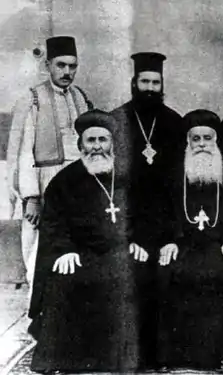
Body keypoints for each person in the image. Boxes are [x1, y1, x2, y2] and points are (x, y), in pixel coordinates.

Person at [29, 110, 138, 373]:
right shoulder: (64, 181)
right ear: (80, 145)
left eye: (103, 139)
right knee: (65, 279)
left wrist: (139, 241)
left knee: (139, 275)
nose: (97, 146)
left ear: (112, 143)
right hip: (80, 252)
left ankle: (127, 359)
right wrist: (64, 250)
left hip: (120, 252)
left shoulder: (127, 176)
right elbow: (53, 222)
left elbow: (146, 215)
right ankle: (68, 360)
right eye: (91, 141)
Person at [110, 51, 184, 369]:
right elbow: (110, 185)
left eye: (156, 82)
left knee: (168, 279)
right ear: (134, 83)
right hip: (129, 224)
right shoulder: (116, 120)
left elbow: (181, 186)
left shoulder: (175, 122)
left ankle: (163, 355)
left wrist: (174, 237)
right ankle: (132, 356)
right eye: (145, 81)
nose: (150, 88)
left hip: (167, 225)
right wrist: (128, 238)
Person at [157, 110, 223, 370]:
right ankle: (172, 357)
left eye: (208, 138)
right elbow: (159, 210)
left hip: (220, 245)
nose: (202, 144)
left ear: (216, 142)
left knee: (222, 275)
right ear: (188, 142)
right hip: (182, 245)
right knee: (167, 275)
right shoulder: (173, 173)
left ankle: (215, 356)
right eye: (196, 139)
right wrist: (168, 240)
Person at [6, 36, 93, 287]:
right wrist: (31, 198)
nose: (67, 72)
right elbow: (23, 152)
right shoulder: (33, 99)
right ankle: (36, 305)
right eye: (61, 65)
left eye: (72, 66)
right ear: (48, 65)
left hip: (76, 182)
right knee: (37, 242)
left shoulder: (79, 97)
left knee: (74, 240)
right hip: (44, 182)